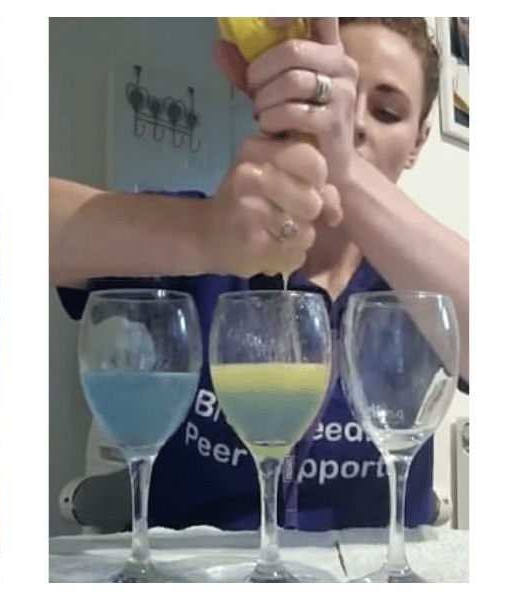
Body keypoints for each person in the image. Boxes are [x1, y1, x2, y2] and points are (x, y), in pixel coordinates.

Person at [51, 17, 468, 531]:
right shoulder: (206, 241)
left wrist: (342, 167)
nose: (352, 123)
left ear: (419, 141)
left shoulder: (424, 283)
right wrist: (201, 235)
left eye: (385, 111)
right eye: (332, 99)